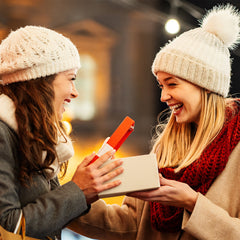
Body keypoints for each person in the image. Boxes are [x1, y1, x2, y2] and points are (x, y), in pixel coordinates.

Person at [67, 4, 240, 240]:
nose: (163, 96)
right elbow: (129, 224)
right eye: (161, 85)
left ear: (205, 84)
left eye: (172, 83)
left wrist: (192, 202)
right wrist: (73, 197)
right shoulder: (165, 148)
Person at [0, 26, 124, 240]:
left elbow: (46, 213)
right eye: (71, 78)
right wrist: (78, 190)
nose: (75, 92)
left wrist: (85, 191)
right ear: (41, 79)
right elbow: (11, 225)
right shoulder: (3, 134)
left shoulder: (34, 140)